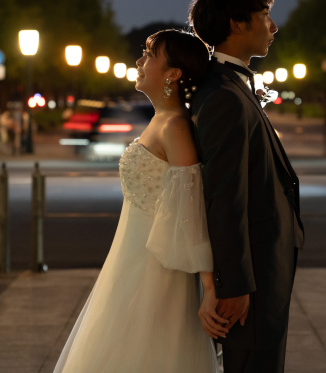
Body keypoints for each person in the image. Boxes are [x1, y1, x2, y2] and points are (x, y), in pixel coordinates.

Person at [53, 29, 225, 372]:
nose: (139, 61)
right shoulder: (160, 120)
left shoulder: (175, 125)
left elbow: (189, 208)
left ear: (173, 73)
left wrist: (209, 287)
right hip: (130, 254)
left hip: (159, 266)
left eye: (149, 54)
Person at [189, 0, 304, 373]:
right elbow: (224, 195)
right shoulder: (223, 94)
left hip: (259, 263)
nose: (273, 26)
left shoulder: (229, 86)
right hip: (252, 271)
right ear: (237, 23)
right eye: (265, 15)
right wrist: (233, 284)